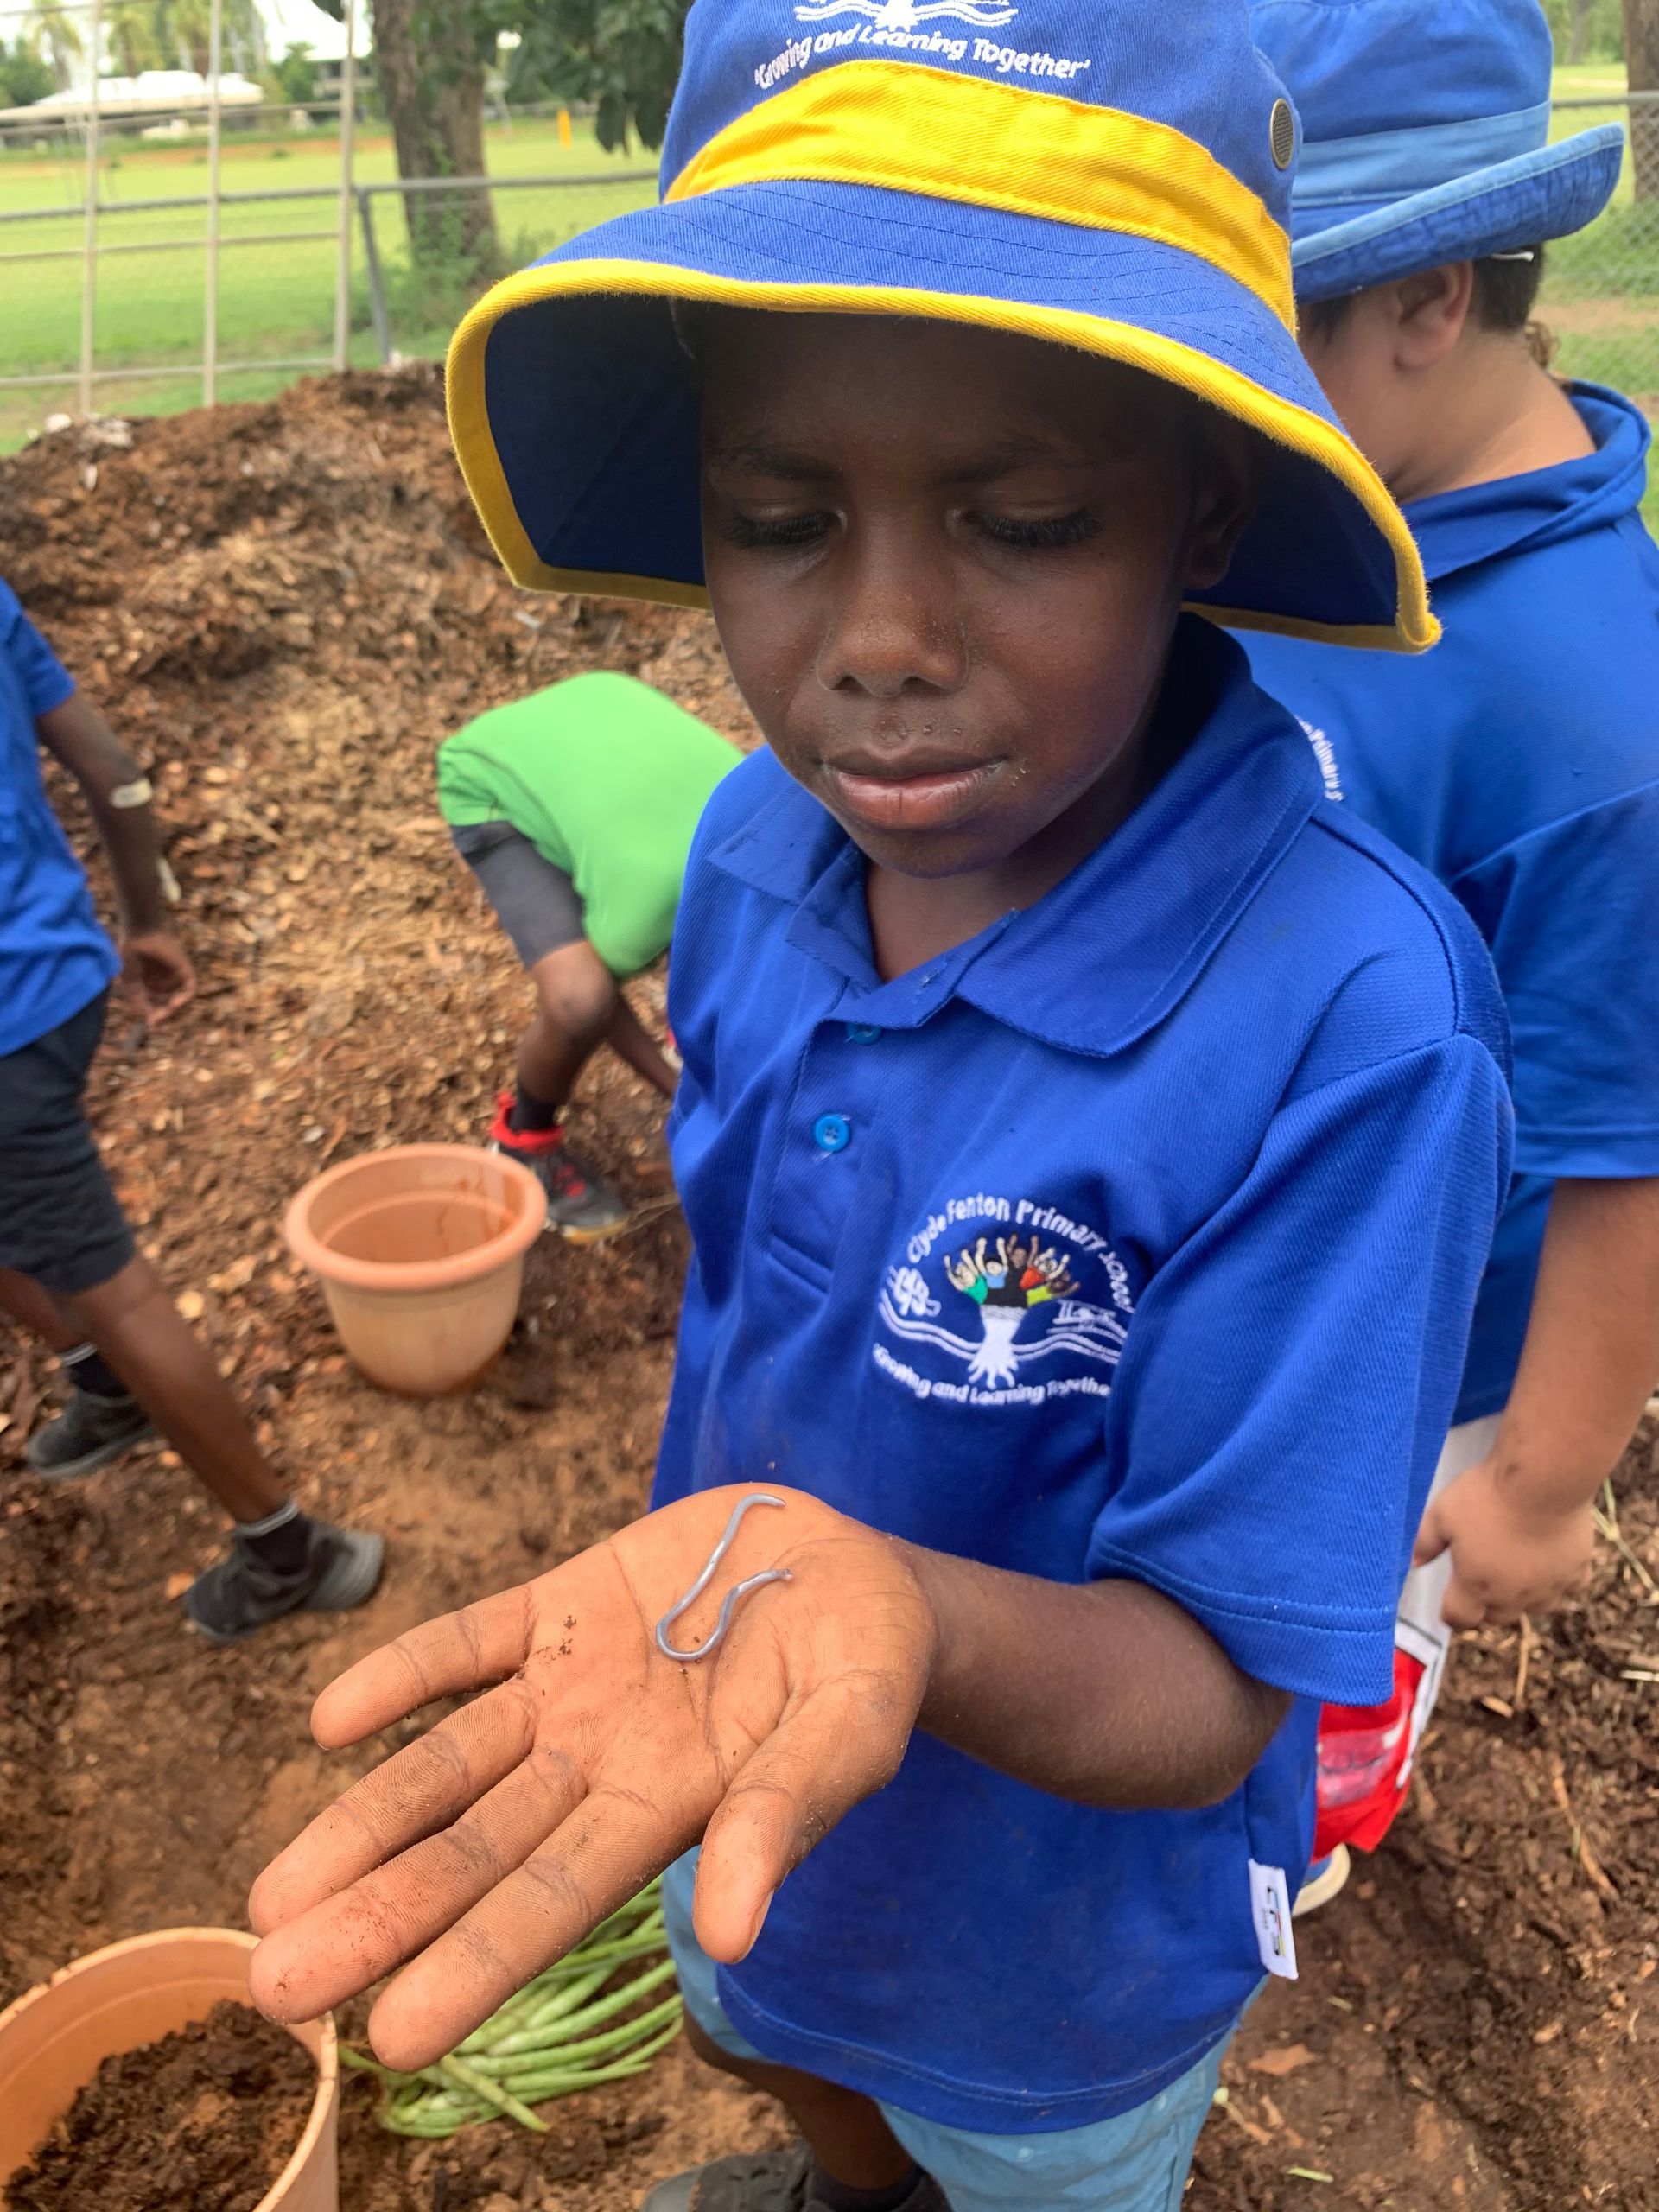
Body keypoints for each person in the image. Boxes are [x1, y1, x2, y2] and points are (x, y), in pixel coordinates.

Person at [245, 6, 1515, 2207]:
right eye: (778, 515)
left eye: (1021, 518)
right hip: (725, 1715)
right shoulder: (754, 851)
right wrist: (774, 1573)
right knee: (764, 2018)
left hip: (1056, 1946)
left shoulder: (1348, 1017)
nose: (885, 632)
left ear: (1201, 499)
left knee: (1017, 2156)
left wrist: (898, 1607)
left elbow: (1222, 1674)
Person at [1243, 0, 1659, 1900]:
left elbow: (1626, 1134)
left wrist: (1542, 1480)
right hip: (1257, 1224)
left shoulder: (1591, 720)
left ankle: (1310, 1814)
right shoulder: (1331, 519)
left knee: (1338, 1606)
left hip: (1428, 1339)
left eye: (1264, 334)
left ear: (1425, 303)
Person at [0, 574, 385, 1642]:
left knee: (111, 1287)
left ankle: (288, 1549)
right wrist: (148, 919)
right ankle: (105, 1385)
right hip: (59, 978)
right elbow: (117, 779)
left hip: (5, 1032)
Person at [437, 671, 741, 1237]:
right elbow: (598, 1008)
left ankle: (703, 1051)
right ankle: (523, 1144)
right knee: (579, 998)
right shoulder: (639, 915)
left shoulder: (785, 835)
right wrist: (687, 1099)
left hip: (606, 702)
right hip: (488, 775)